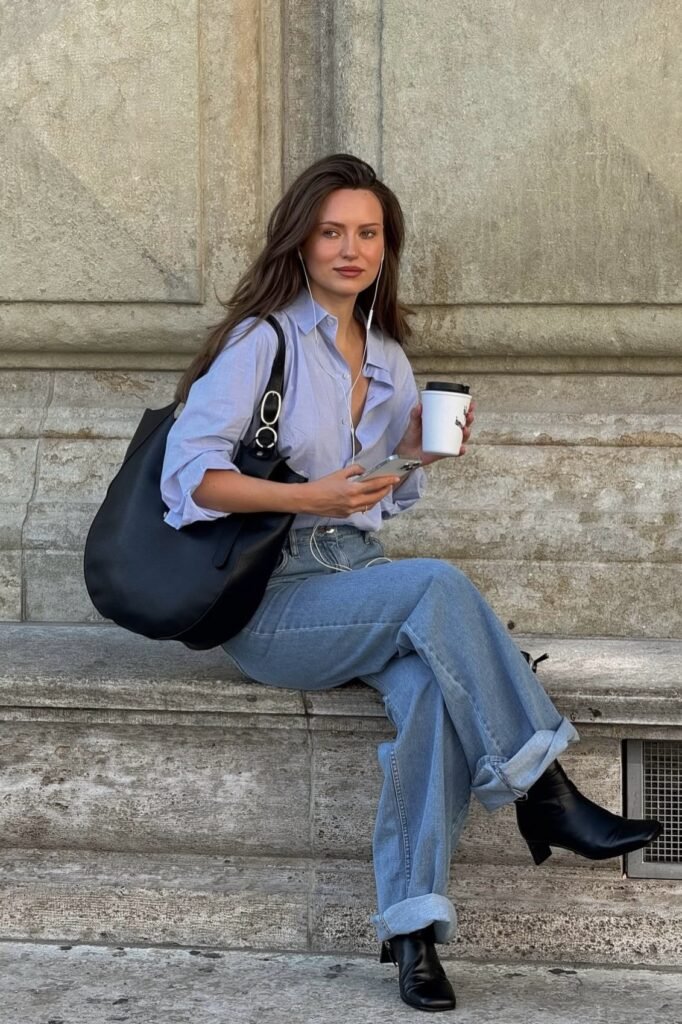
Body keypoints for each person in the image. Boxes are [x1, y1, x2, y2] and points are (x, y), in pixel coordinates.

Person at [161, 153, 662, 1013]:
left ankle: (412, 932)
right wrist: (309, 497)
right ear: (300, 242)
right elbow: (191, 481)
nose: (350, 249)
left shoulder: (387, 357)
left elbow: (376, 497)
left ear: (386, 247)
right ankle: (544, 791)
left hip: (357, 581)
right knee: (436, 584)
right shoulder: (262, 342)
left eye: (368, 233)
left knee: (433, 694)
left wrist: (413, 455)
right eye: (331, 232)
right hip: (271, 599)